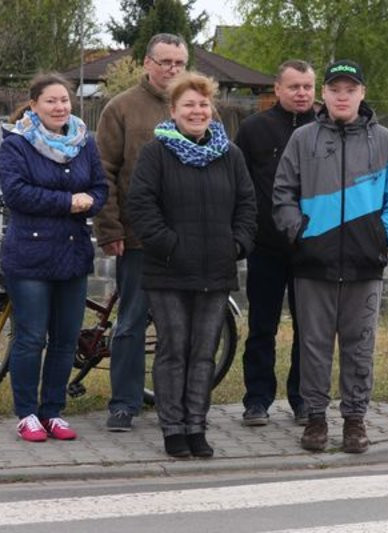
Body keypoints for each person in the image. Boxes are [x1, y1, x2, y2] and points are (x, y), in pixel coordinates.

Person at [273, 60, 388, 454]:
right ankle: (315, 418)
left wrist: (381, 236)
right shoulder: (303, 139)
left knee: (359, 345)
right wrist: (299, 233)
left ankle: (354, 420)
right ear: (325, 94)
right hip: (313, 263)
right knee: (313, 345)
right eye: (335, 89)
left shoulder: (385, 140)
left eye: (350, 90)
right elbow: (282, 192)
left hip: (364, 264)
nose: (342, 96)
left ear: (362, 94)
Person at [127, 72, 256, 458]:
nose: (197, 111)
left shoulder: (230, 155)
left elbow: (247, 205)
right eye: (189, 105)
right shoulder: (155, 153)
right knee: (174, 349)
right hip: (168, 270)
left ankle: (196, 426)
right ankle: (173, 429)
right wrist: (170, 245)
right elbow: (141, 205)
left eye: (203, 104)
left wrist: (237, 244)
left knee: (203, 352)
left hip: (216, 269)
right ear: (173, 110)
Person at [0, 73, 108, 442]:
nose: (60, 107)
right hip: (30, 256)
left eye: (64, 100)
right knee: (31, 338)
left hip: (72, 254)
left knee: (65, 338)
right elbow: (16, 193)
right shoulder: (16, 144)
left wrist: (92, 200)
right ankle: (27, 413)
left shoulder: (84, 142)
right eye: (51, 101)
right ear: (34, 105)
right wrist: (68, 202)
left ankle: (53, 412)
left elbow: (100, 187)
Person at [94, 33, 190, 432]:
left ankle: (178, 403)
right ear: (147, 63)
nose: (172, 69)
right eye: (165, 62)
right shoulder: (121, 108)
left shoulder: (198, 107)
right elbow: (104, 172)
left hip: (189, 240)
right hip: (138, 237)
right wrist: (109, 227)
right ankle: (124, 403)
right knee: (131, 323)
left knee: (180, 326)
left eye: (179, 63)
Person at [235, 60, 316, 427]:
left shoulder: (325, 128)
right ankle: (257, 399)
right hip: (266, 247)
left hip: (312, 247)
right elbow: (240, 185)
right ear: (278, 89)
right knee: (261, 327)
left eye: (307, 87)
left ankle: (303, 398)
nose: (301, 93)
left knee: (309, 330)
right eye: (294, 86)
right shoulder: (254, 129)